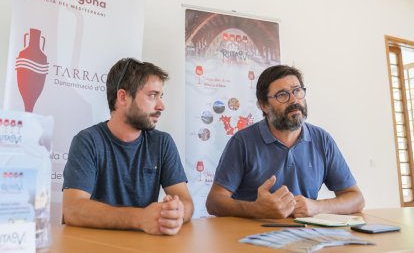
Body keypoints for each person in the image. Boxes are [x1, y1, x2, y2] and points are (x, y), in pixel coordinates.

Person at [206, 65, 364, 219]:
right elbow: (214, 202)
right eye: (282, 94)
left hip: (307, 237)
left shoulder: (322, 140)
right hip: (253, 237)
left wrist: (317, 207)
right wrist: (255, 209)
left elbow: (356, 199)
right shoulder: (242, 142)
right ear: (264, 105)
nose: (294, 100)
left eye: (297, 91)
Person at [62, 58, 194, 235]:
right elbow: (73, 210)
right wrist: (140, 219)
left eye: (161, 96)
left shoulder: (162, 143)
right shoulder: (87, 141)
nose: (161, 105)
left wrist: (176, 213)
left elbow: (186, 201)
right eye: (152, 95)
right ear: (123, 97)